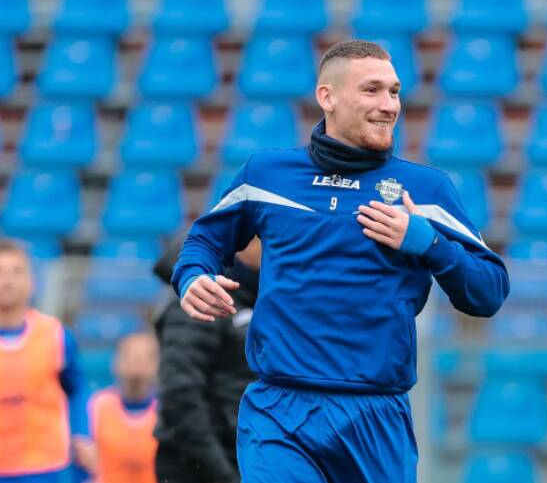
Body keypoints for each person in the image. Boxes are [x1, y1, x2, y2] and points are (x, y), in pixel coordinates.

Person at [172, 40, 510, 482]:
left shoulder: (425, 191)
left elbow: (488, 291)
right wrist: (192, 277)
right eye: (372, 90)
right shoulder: (266, 176)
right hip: (278, 409)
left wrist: (429, 244)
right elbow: (204, 239)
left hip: (375, 415)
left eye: (394, 91)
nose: (389, 105)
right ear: (327, 97)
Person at [0, 240, 91, 483]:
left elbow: (77, 388)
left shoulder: (55, 335)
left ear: (31, 283)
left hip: (44, 467)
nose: (7, 280)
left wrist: (81, 433)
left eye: (17, 271)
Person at [153, 238, 260, 483]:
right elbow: (180, 397)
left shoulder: (260, 297)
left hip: (241, 459)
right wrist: (225, 475)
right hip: (199, 468)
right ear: (247, 240)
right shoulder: (202, 297)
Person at [77, 333, 160, 483]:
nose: (136, 362)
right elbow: (81, 452)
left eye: (146, 357)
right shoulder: (97, 405)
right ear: (115, 362)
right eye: (129, 355)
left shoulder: (168, 411)